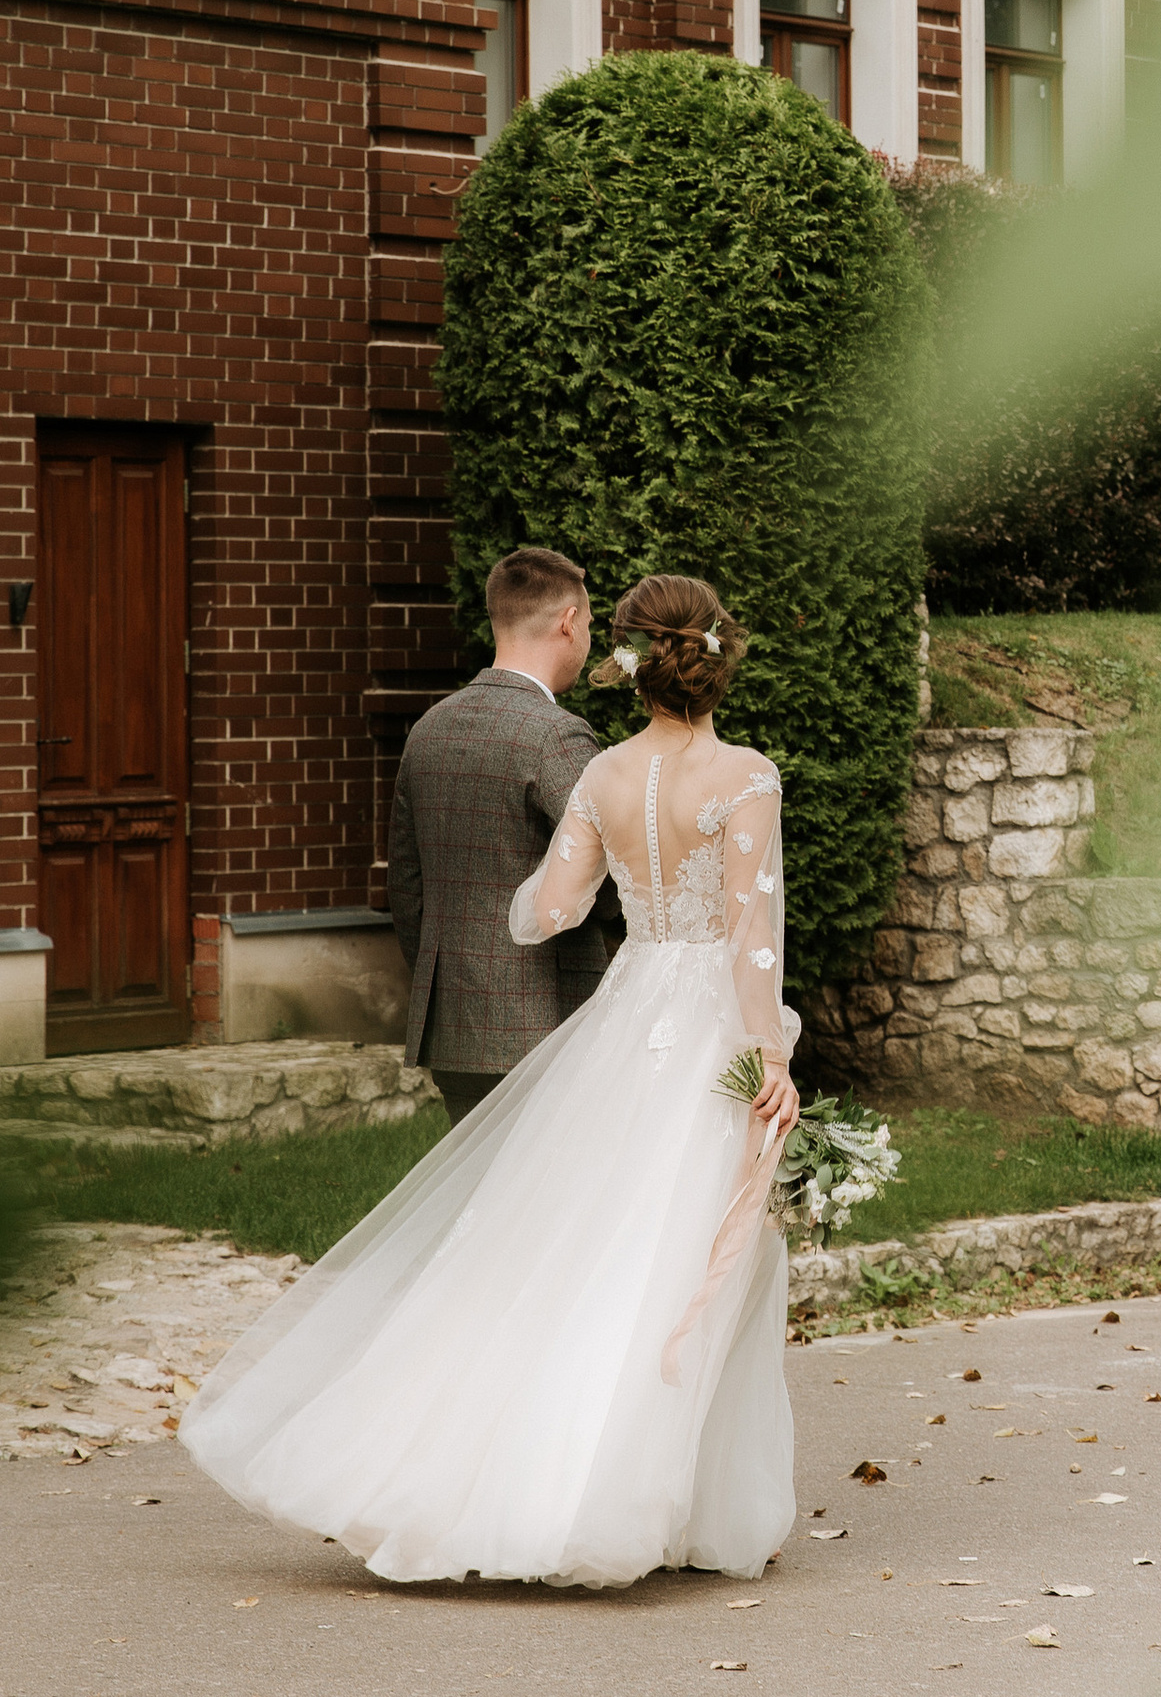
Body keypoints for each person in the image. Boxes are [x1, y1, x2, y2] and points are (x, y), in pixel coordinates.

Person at [181, 574, 804, 1588]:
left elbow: (546, 912)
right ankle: (655, 1500)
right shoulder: (746, 775)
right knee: (690, 1255)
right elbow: (750, 937)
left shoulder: (601, 771)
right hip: (702, 1034)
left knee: (574, 1245)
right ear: (718, 654)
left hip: (622, 1017)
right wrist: (768, 1056)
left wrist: (531, 891)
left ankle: (514, 1478)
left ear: (630, 659)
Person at [389, 547, 620, 1122]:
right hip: (549, 1020)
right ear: (568, 622)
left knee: (476, 1203)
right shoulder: (559, 737)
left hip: (454, 1026)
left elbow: (407, 885)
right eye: (589, 624)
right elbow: (612, 881)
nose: (588, 638)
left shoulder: (429, 729)